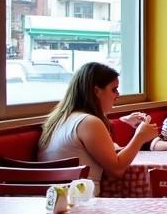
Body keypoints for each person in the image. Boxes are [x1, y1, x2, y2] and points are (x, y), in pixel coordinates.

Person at [38, 62, 158, 191]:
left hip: (54, 200)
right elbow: (116, 171)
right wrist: (140, 137)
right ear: (96, 91)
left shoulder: (57, 120)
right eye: (114, 89)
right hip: (81, 202)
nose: (118, 95)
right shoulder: (89, 122)